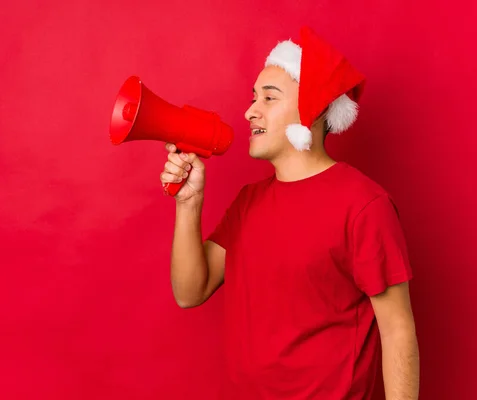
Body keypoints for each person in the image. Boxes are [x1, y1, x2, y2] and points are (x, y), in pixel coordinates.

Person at [160, 26, 419, 400]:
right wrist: (188, 204)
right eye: (253, 97)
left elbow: (398, 331)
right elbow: (190, 292)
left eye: (269, 98)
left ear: (310, 109)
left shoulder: (364, 205)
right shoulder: (249, 201)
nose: (251, 111)